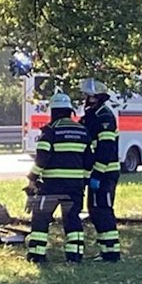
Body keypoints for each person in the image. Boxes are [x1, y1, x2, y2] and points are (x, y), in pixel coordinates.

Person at [26, 92, 93, 263]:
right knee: (72, 218)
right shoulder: (83, 131)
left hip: (51, 186)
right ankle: (75, 255)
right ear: (69, 111)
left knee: (40, 217)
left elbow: (41, 158)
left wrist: (32, 178)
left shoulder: (49, 131)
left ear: (53, 112)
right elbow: (88, 161)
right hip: (75, 186)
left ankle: (36, 254)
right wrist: (83, 181)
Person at [81, 83, 123, 262]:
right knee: (96, 210)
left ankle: (112, 252)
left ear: (95, 97)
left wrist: (97, 174)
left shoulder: (104, 116)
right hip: (98, 172)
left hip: (105, 173)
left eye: (87, 96)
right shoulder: (93, 116)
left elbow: (106, 149)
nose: (85, 100)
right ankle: (106, 250)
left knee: (103, 210)